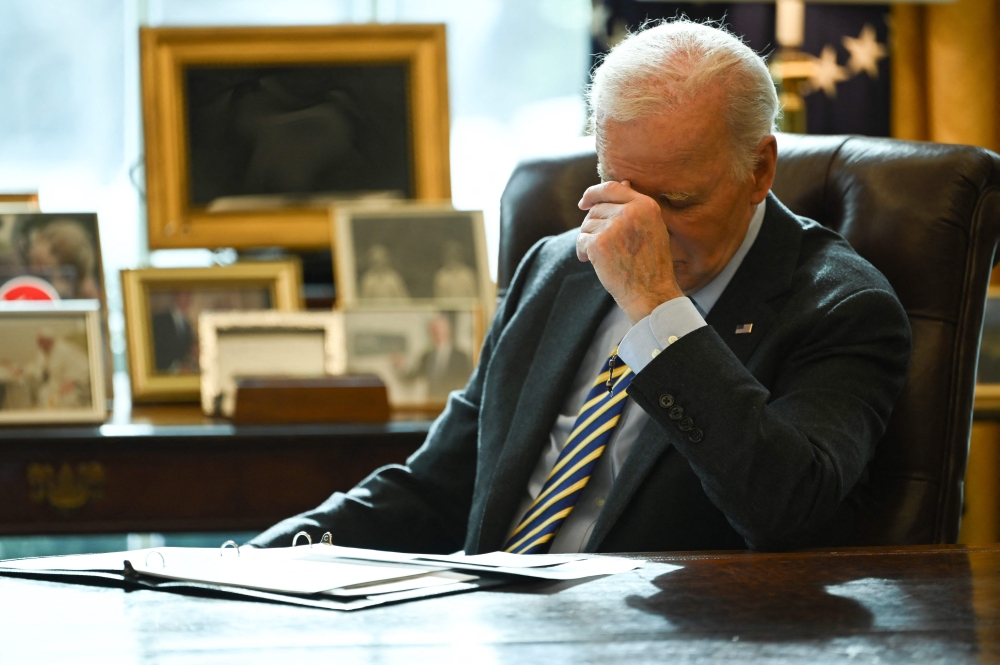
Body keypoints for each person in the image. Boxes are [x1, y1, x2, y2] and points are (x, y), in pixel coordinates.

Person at [249, 21, 911, 555]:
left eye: (675, 201)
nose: (638, 228)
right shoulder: (555, 268)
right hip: (486, 623)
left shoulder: (843, 309)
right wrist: (264, 558)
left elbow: (785, 512)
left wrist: (657, 309)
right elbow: (437, 487)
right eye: (623, 191)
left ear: (759, 168)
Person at [394, 313, 474, 401]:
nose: (436, 332)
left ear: (448, 330)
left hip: (452, 403)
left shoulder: (460, 356)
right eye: (433, 329)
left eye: (439, 328)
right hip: (431, 404)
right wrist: (400, 367)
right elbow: (412, 378)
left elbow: (468, 381)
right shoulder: (426, 356)